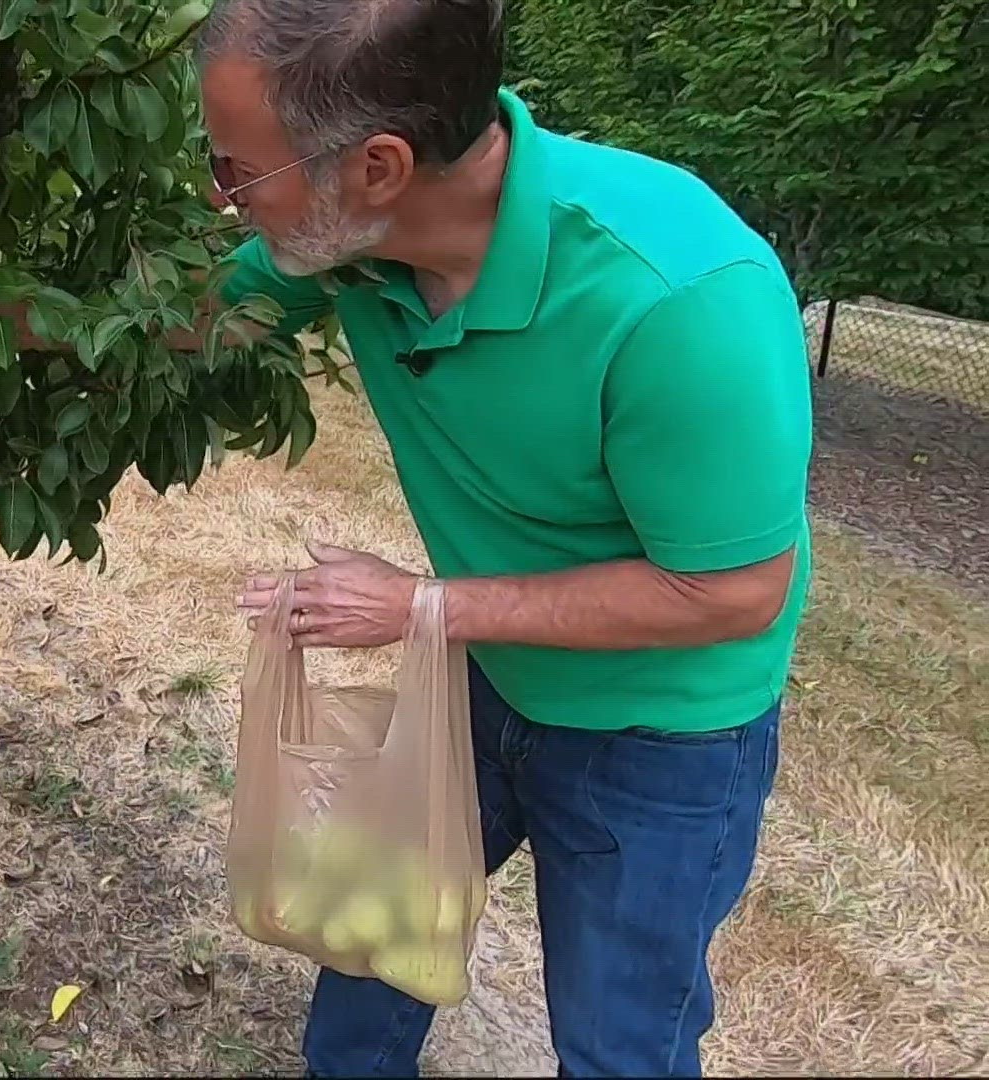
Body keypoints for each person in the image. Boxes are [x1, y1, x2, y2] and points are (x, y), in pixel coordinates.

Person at [205, 0, 815, 1076]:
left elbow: (731, 592)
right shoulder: (347, 246)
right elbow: (201, 313)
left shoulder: (678, 298)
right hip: (489, 674)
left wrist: (425, 608)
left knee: (621, 1042)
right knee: (373, 939)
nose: (223, 201)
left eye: (238, 174)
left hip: (663, 739)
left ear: (379, 168)